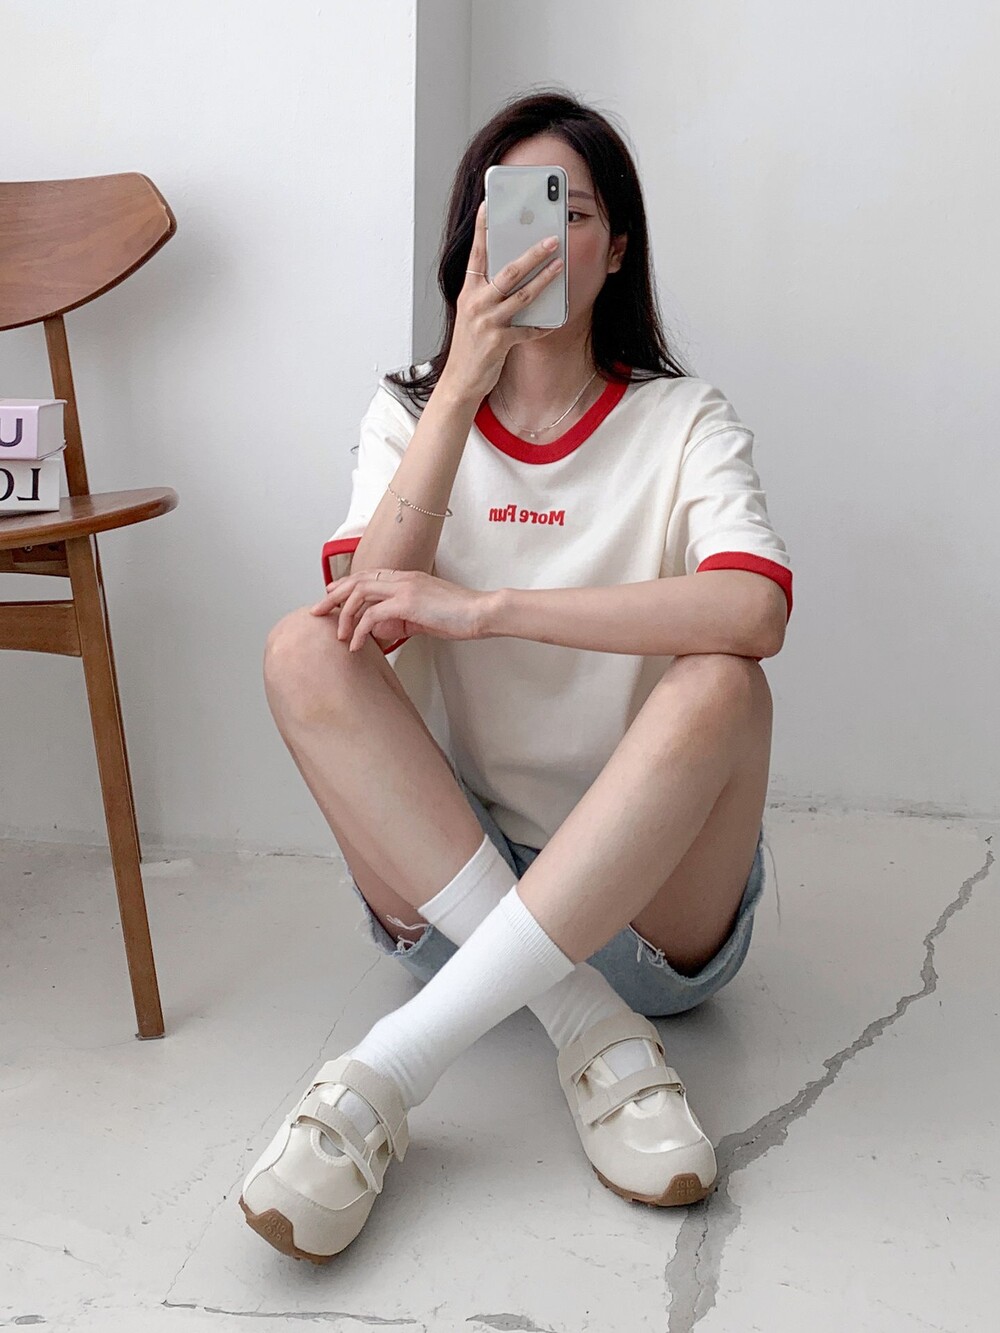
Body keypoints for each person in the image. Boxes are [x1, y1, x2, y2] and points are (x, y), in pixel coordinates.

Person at [240, 90, 794, 1263]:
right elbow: (358, 625)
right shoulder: (407, 414)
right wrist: (458, 385)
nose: (543, 241)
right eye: (515, 212)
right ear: (473, 236)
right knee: (301, 643)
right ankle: (587, 1027)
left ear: (617, 249)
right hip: (452, 893)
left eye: (573, 212)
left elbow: (754, 610)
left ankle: (389, 1070)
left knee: (723, 682)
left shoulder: (682, 417)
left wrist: (488, 609)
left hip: (650, 910)